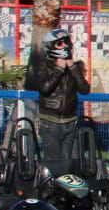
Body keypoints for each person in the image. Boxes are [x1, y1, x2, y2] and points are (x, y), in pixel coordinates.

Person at [24, 29, 90, 161]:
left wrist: (72, 68)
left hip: (70, 121)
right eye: (59, 43)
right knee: (53, 161)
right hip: (50, 122)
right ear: (51, 46)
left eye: (66, 42)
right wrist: (59, 69)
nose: (64, 45)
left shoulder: (74, 67)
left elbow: (84, 89)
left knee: (75, 160)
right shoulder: (43, 65)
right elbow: (45, 88)